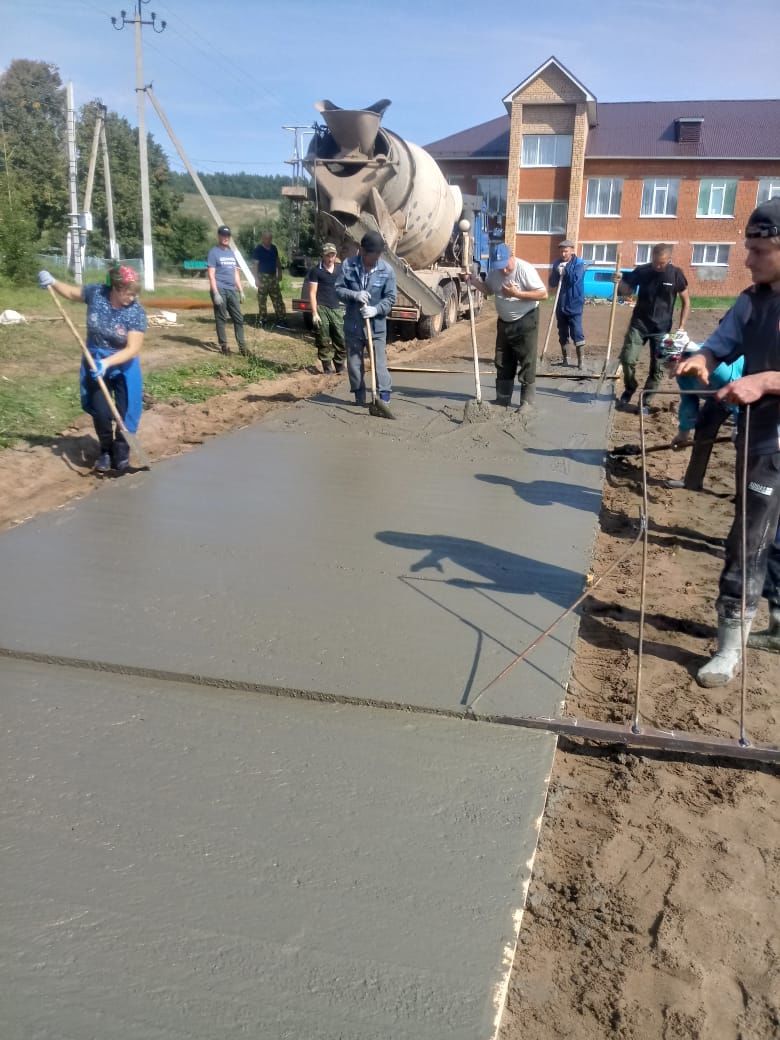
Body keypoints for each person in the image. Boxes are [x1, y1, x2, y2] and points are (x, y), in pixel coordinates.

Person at [676, 198, 780, 685]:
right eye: (748, 248)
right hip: (759, 443)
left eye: (759, 250)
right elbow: (721, 342)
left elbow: (762, 378)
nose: (748, 259)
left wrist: (765, 381)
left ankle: (756, 633)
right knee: (750, 538)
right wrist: (702, 357)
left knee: (762, 542)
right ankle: (733, 643)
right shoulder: (752, 299)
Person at [38, 264, 146, 474]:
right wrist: (52, 281)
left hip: (123, 362)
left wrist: (107, 363)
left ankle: (121, 454)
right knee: (101, 412)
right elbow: (71, 292)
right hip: (94, 358)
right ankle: (105, 451)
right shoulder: (96, 294)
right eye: (129, 293)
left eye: (135, 294)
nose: (132, 298)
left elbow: (133, 348)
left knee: (127, 411)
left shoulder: (135, 312)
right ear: (115, 288)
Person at [467, 242, 547, 409]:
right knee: (502, 360)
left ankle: (527, 402)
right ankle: (502, 398)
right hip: (504, 323)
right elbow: (489, 290)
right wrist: (474, 282)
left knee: (527, 360)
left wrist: (517, 294)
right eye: (499, 267)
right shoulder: (495, 273)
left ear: (512, 256)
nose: (503, 270)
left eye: (505, 265)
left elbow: (543, 294)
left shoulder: (525, 270)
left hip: (526, 320)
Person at [616, 243, 690, 413]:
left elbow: (686, 301)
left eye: (662, 263)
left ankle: (646, 401)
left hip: (662, 329)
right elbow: (625, 291)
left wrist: (682, 326)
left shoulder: (676, 275)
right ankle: (630, 387)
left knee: (657, 368)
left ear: (669, 260)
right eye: (655, 262)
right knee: (627, 359)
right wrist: (619, 283)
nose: (658, 266)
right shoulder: (642, 271)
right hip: (639, 324)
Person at [335, 230, 397, 406]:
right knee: (354, 364)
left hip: (376, 326)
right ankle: (359, 395)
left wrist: (376, 309)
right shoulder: (349, 266)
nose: (376, 257)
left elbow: (391, 298)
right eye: (373, 254)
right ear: (362, 251)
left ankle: (384, 396)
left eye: (379, 254)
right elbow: (338, 289)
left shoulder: (387, 271)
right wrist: (355, 295)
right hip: (353, 325)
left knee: (379, 363)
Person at [207, 225, 248, 356]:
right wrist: (215, 293)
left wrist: (241, 290)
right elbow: (211, 274)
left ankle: (242, 347)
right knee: (221, 318)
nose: (225, 238)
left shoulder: (231, 253)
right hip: (220, 288)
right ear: (219, 236)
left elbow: (235, 273)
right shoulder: (213, 252)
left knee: (239, 318)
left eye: (227, 236)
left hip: (231, 290)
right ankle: (224, 345)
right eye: (223, 235)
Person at [548, 239, 587, 368]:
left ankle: (581, 361)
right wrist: (556, 271)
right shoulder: (557, 263)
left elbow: (574, 280)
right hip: (561, 304)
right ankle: (566, 359)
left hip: (574, 303)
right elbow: (552, 283)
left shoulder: (579, 264)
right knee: (562, 332)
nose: (563, 254)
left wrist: (566, 271)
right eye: (561, 251)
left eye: (566, 251)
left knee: (577, 331)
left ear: (572, 250)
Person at [308, 242, 346, 374]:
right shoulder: (316, 271)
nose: (330, 258)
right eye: (327, 255)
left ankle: (340, 364)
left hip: (336, 308)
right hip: (322, 307)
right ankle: (327, 367)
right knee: (323, 338)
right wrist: (314, 313)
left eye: (333, 255)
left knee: (340, 338)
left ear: (336, 255)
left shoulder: (340, 269)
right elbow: (312, 293)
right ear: (323, 256)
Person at [251, 230, 287, 328]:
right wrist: (256, 279)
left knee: (278, 299)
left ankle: (281, 319)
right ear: (262, 239)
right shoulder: (258, 249)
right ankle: (263, 319)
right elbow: (255, 265)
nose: (268, 240)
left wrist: (279, 272)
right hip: (262, 277)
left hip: (273, 277)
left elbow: (277, 261)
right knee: (262, 299)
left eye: (270, 238)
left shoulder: (274, 248)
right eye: (266, 238)